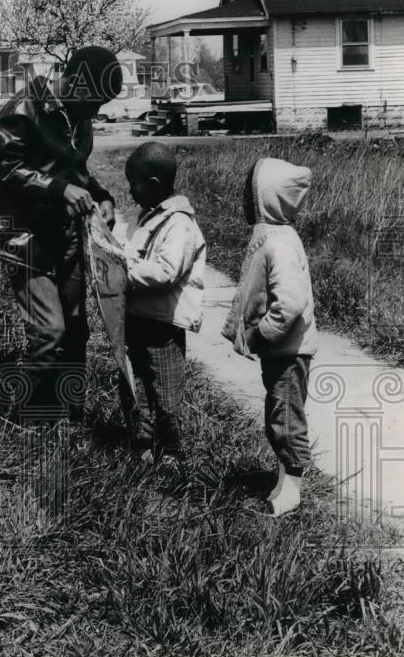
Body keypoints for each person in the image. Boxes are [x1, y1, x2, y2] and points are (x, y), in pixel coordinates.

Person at [0, 45, 124, 423]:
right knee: (50, 333)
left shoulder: (78, 114)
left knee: (76, 329)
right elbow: (4, 168)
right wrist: (57, 189)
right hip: (25, 240)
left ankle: (71, 418)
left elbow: (74, 170)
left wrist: (101, 196)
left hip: (66, 237)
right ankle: (25, 421)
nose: (95, 113)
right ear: (77, 81)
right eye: (94, 103)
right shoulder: (22, 109)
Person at [221, 157, 317, 516]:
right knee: (279, 416)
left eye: (251, 196)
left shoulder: (279, 243)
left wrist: (262, 334)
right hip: (281, 352)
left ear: (269, 201)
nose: (244, 202)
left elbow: (289, 303)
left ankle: (292, 491)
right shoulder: (271, 236)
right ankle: (283, 481)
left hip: (288, 352)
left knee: (287, 420)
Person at [118, 142, 206, 464]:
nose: (130, 191)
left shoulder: (180, 224)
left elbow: (167, 272)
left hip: (163, 324)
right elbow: (133, 250)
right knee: (134, 383)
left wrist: (122, 270)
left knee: (165, 391)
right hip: (138, 318)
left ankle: (171, 452)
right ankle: (140, 443)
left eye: (133, 183)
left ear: (153, 185)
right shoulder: (146, 217)